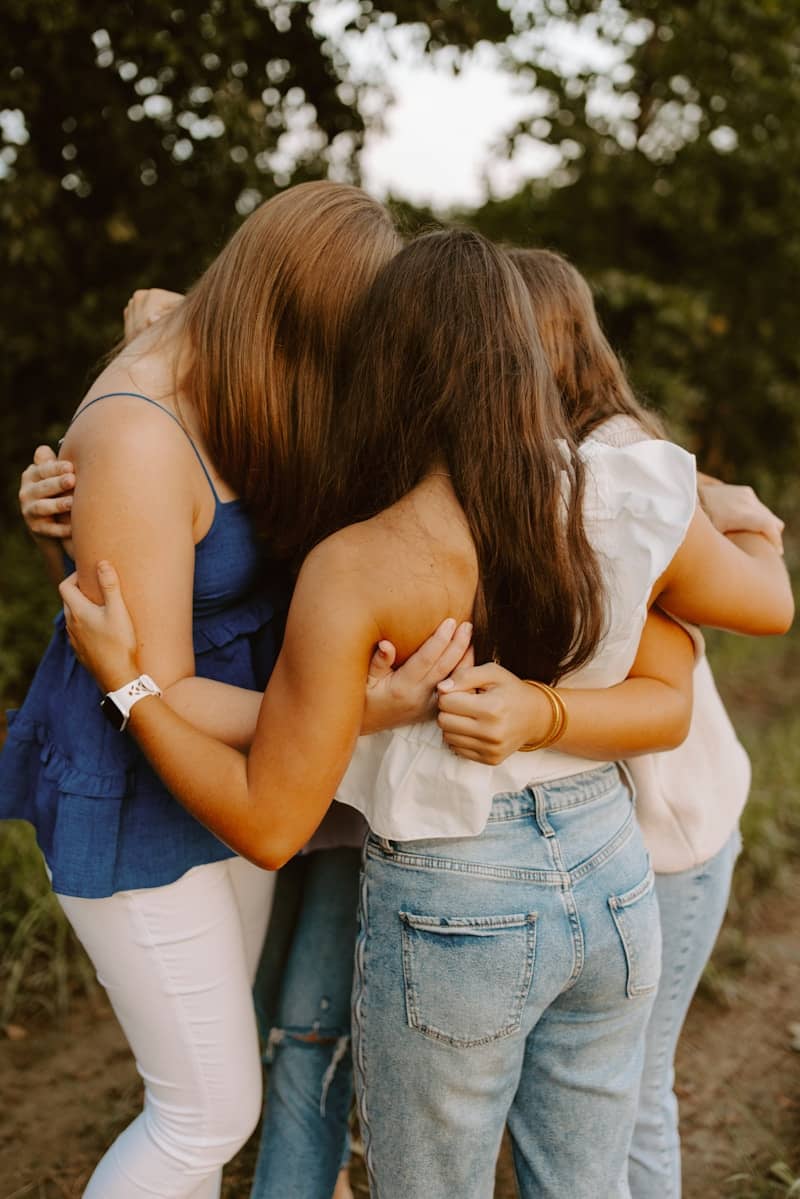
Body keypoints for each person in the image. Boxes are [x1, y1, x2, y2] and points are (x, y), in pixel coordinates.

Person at [58, 229, 793, 1198]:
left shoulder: (360, 564)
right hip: (611, 871)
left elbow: (271, 824)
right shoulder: (632, 489)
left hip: (461, 888)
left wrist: (130, 684)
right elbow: (706, 651)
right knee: (584, 1179)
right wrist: (750, 518)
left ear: (383, 371)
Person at [1, 179, 418, 1199]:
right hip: (140, 768)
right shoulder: (142, 432)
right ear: (289, 315)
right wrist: (347, 712)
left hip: (233, 756)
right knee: (205, 1109)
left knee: (205, 1061)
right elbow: (156, 681)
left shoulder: (220, 349)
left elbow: (157, 302)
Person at [434, 246, 786, 1198]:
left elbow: (760, 604)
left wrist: (749, 518)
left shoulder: (622, 459)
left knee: (630, 1094)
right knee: (591, 1097)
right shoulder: (514, 465)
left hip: (663, 831)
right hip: (593, 833)